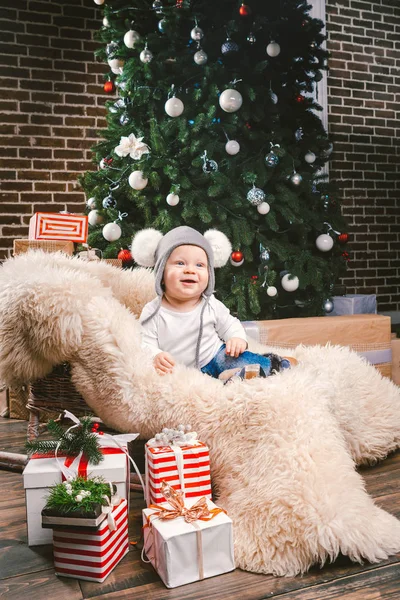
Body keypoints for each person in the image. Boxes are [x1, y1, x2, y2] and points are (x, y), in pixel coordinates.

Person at [132, 226, 295, 380]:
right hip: (179, 371)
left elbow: (230, 324)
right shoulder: (153, 311)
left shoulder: (210, 304)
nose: (190, 270)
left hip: (214, 356)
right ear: (161, 271)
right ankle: (230, 376)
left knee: (236, 360)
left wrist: (236, 338)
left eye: (199, 265)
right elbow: (145, 343)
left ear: (209, 274)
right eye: (180, 263)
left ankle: (277, 364)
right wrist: (155, 355)